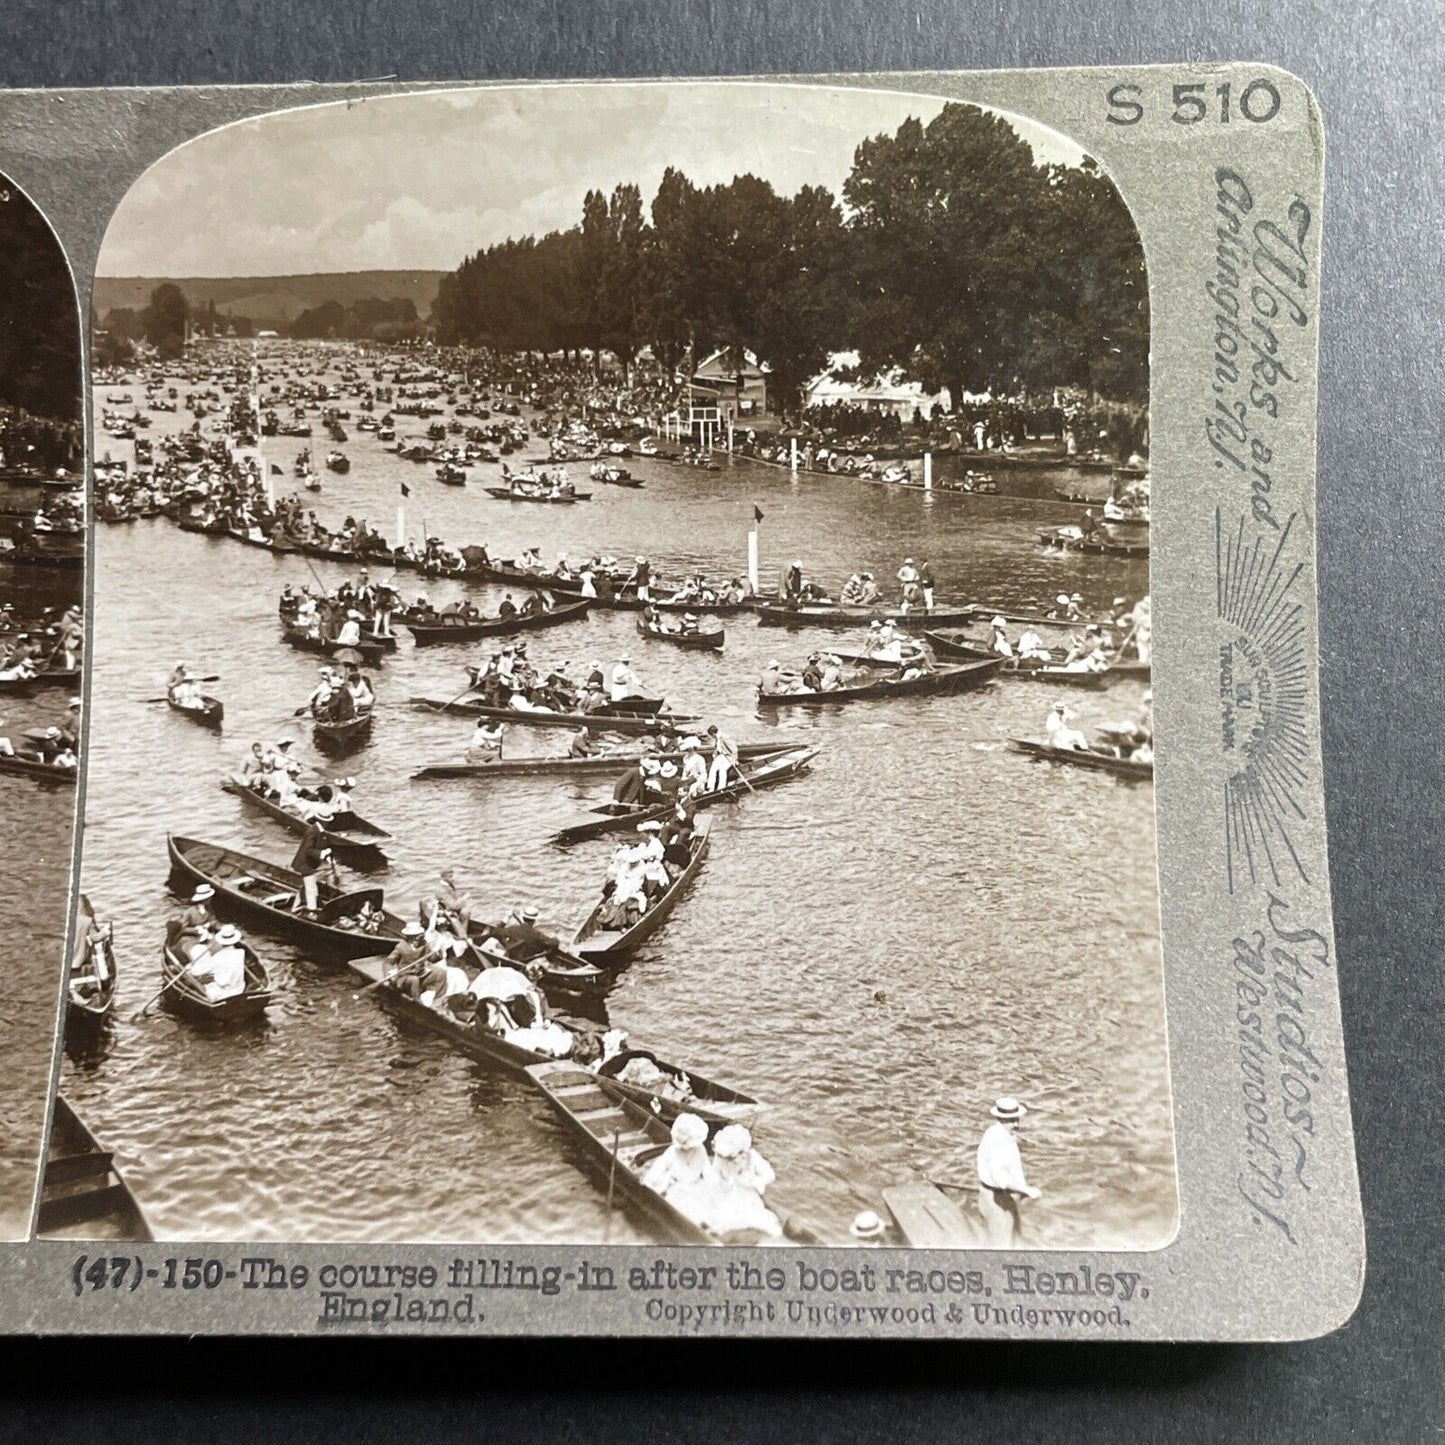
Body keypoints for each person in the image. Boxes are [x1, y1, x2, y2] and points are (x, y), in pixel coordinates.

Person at [975, 1097, 1041, 1246]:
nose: (1016, 1124)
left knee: (990, 1242)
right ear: (1001, 1119)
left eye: (1017, 1119)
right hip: (998, 1202)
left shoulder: (993, 1132)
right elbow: (1001, 1180)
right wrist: (1027, 1190)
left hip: (987, 1197)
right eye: (1011, 1120)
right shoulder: (1001, 1142)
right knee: (1003, 1248)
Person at [702, 1124, 782, 1238]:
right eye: (726, 1157)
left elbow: (769, 1175)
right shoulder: (721, 1157)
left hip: (747, 1195)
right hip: (727, 1194)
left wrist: (753, 1181)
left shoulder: (752, 1157)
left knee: (755, 1219)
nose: (727, 1160)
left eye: (731, 1157)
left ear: (743, 1152)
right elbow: (714, 1176)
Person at [640, 1112, 716, 1215]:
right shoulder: (672, 1152)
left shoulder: (700, 1149)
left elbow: (709, 1174)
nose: (687, 1148)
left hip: (696, 1189)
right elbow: (653, 1175)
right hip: (677, 1192)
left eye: (690, 1144)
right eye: (684, 1144)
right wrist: (667, 1180)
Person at [188, 923, 248, 1001]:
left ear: (221, 941)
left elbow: (197, 972)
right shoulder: (241, 952)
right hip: (240, 989)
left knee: (206, 984)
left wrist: (190, 968)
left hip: (224, 994)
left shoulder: (217, 957)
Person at [291, 824, 338, 913]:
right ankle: (311, 912)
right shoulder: (313, 831)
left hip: (313, 864)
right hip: (305, 864)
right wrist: (322, 853)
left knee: (308, 886)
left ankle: (295, 908)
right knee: (311, 888)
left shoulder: (322, 831)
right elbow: (308, 850)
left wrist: (328, 857)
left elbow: (324, 846)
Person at [705, 723, 738, 792]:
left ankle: (721, 788)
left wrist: (733, 761)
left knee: (722, 770)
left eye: (711, 735)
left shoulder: (724, 737)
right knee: (713, 769)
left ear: (713, 733)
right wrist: (714, 756)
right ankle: (710, 788)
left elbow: (734, 750)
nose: (711, 737)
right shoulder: (717, 738)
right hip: (720, 756)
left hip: (728, 757)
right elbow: (717, 749)